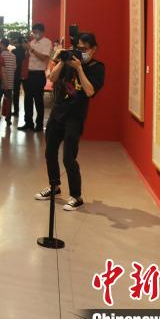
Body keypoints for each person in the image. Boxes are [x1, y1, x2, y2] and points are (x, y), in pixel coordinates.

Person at [34, 33, 105, 211]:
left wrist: (79, 68)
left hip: (75, 116)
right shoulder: (67, 61)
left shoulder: (97, 68)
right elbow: (52, 78)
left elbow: (90, 91)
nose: (81, 52)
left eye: (84, 49)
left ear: (94, 49)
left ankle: (76, 196)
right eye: (78, 48)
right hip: (57, 113)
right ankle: (54, 186)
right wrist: (62, 60)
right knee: (50, 152)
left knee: (68, 158)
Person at [19, 23, 52, 132]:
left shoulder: (47, 42)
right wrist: (26, 50)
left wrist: (31, 49)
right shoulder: (31, 42)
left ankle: (39, 124)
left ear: (42, 32)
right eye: (33, 32)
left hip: (38, 74)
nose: (34, 34)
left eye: (36, 32)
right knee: (27, 99)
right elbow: (27, 58)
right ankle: (28, 123)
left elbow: (43, 58)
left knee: (38, 100)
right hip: (28, 74)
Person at [0, 38, 17, 127]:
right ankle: (8, 119)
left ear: (2, 44)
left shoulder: (0, 55)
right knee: (9, 101)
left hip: (1, 82)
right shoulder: (13, 55)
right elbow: (14, 68)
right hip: (10, 82)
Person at [11, 36, 27, 122]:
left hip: (16, 73)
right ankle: (27, 113)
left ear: (18, 42)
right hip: (25, 73)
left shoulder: (13, 51)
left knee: (16, 93)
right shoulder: (26, 51)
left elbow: (13, 63)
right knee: (27, 94)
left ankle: (16, 111)